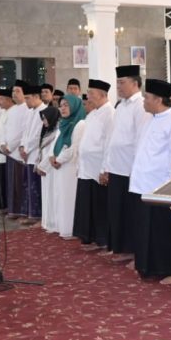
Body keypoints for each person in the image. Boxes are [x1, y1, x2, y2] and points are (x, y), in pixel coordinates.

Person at [130, 79, 171, 277]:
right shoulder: (148, 119)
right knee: (143, 228)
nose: (143, 101)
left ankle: (162, 268)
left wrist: (169, 184)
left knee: (159, 230)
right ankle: (144, 265)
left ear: (158, 99)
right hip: (141, 183)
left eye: (147, 98)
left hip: (159, 185)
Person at [101, 65, 152, 261]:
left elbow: (141, 138)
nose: (118, 86)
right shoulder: (120, 106)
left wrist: (137, 168)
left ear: (135, 83)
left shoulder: (141, 105)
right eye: (118, 83)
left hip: (131, 168)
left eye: (122, 83)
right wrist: (106, 166)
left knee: (132, 212)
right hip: (116, 167)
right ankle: (119, 247)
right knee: (117, 210)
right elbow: (112, 138)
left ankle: (132, 251)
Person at [74, 79, 114, 248]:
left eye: (91, 93)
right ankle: (88, 236)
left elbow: (109, 143)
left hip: (98, 167)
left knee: (99, 206)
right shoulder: (92, 114)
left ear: (102, 94)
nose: (88, 97)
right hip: (86, 167)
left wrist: (105, 168)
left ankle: (102, 239)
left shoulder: (110, 113)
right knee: (86, 204)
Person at [50, 94, 87, 239]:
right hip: (60, 165)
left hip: (70, 166)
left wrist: (58, 159)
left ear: (75, 106)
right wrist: (52, 157)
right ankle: (62, 227)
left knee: (69, 197)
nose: (63, 108)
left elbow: (74, 148)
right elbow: (56, 143)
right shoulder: (63, 123)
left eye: (67, 105)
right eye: (61, 105)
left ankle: (71, 229)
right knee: (61, 196)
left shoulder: (80, 124)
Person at [0, 82, 30, 218]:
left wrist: (10, 146)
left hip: (18, 152)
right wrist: (3, 143)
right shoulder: (12, 110)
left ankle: (21, 210)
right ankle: (12, 208)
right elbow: (6, 130)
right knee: (11, 182)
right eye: (13, 91)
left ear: (24, 93)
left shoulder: (26, 109)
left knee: (20, 183)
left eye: (17, 91)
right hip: (9, 151)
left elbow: (22, 132)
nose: (14, 94)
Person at [19, 83, 44, 224]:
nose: (26, 101)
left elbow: (38, 136)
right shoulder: (30, 112)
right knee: (28, 186)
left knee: (36, 187)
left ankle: (37, 216)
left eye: (28, 98)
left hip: (35, 155)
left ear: (36, 97)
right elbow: (25, 132)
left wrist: (27, 149)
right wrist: (22, 146)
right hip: (27, 155)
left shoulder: (44, 111)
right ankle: (31, 214)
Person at [35, 103, 60, 233]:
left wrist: (43, 166)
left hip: (50, 169)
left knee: (51, 195)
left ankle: (53, 223)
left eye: (45, 118)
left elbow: (52, 152)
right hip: (44, 169)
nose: (44, 121)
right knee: (46, 195)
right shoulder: (47, 132)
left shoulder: (56, 132)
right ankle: (46, 222)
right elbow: (41, 150)